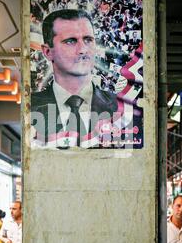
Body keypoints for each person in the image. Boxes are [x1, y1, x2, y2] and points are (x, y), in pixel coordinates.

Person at [31, 9, 120, 147]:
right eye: (70, 41)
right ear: (48, 52)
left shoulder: (120, 107)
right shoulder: (30, 107)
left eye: (88, 40)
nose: (83, 49)